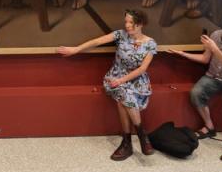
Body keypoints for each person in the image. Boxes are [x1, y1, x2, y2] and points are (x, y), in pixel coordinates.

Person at [57, 9, 157, 160]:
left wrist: (122, 81)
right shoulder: (120, 35)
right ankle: (143, 137)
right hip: (116, 76)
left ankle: (127, 142)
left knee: (122, 97)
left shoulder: (150, 43)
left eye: (131, 22)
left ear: (141, 24)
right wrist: (76, 49)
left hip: (137, 81)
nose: (127, 25)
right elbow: (97, 41)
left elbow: (142, 68)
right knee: (123, 92)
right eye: (126, 22)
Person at [168, 11, 222, 163]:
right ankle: (209, 127)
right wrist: (183, 54)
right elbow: (205, 58)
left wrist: (215, 49)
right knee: (196, 93)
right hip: (213, 77)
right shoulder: (217, 35)